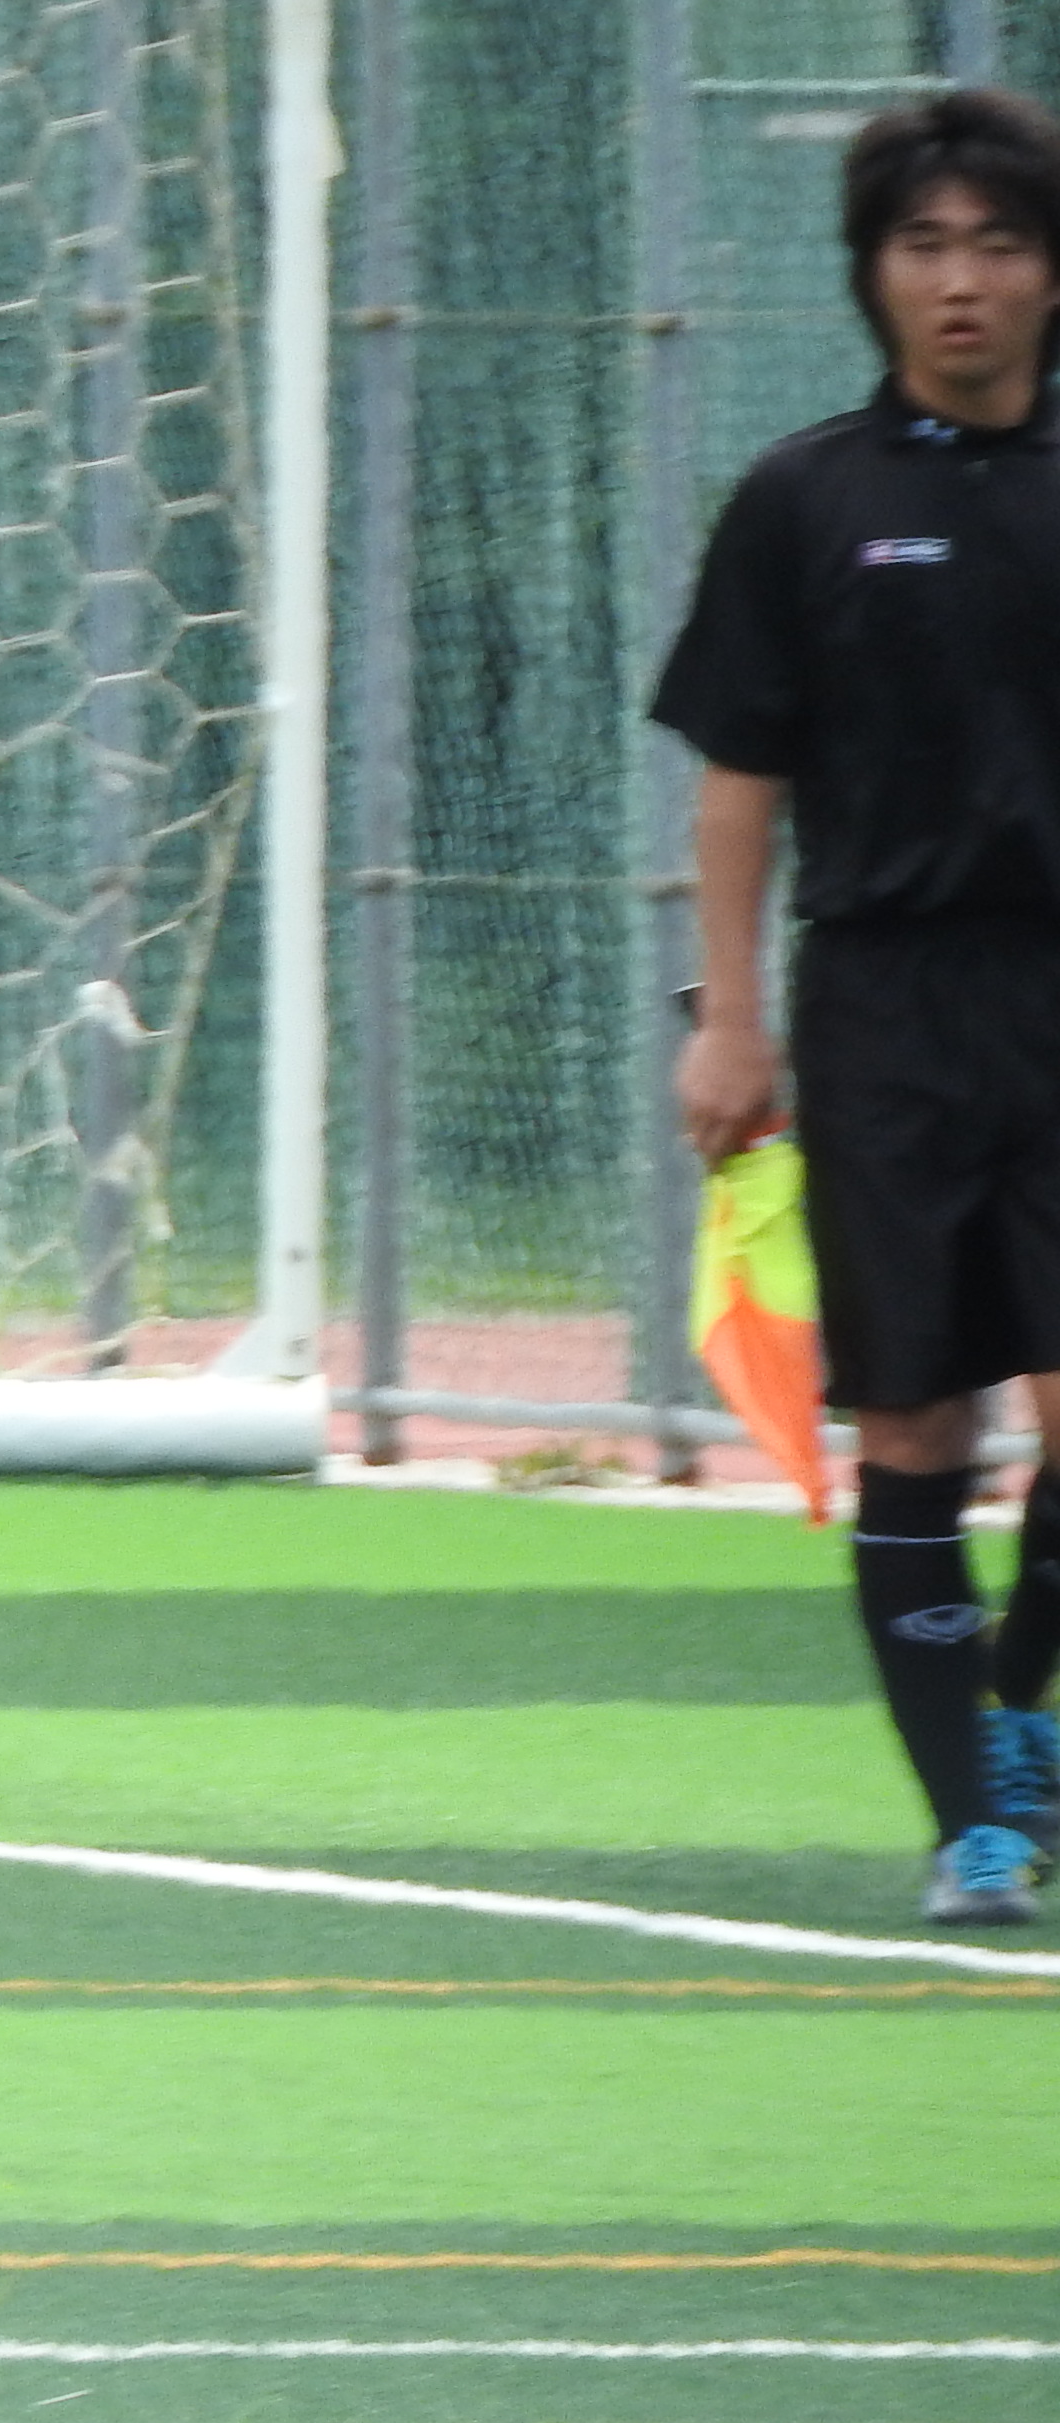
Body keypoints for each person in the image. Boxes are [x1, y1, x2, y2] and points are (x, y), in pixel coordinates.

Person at [659, 85, 1060, 1926]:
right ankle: (971, 1824)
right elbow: (738, 780)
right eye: (925, 244)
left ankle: (1013, 1710)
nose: (961, 280)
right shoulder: (804, 499)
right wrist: (728, 1021)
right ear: (873, 273)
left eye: (998, 243)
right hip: (885, 1008)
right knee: (916, 1427)